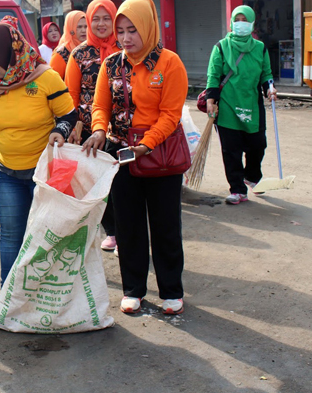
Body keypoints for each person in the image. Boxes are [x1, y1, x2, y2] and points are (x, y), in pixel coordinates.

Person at [0, 16, 77, 320]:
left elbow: (70, 116)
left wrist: (59, 131)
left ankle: (48, 299)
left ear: (10, 53)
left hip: (43, 174)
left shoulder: (45, 78)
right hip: (7, 173)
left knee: (46, 236)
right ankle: (9, 298)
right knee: (11, 237)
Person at [88, 0, 188, 315]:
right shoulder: (111, 65)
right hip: (121, 154)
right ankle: (133, 289)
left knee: (165, 226)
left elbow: (170, 116)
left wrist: (146, 144)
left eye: (132, 30)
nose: (126, 37)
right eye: (121, 31)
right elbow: (100, 106)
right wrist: (99, 130)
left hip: (161, 157)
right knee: (128, 226)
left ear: (147, 27)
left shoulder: (170, 64)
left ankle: (171, 291)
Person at [205, 5, 277, 205]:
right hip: (228, 105)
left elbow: (266, 73)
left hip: (252, 105)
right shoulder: (221, 47)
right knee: (231, 150)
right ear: (231, 22)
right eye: (237, 20)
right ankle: (237, 189)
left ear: (252, 23)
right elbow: (213, 74)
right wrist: (211, 100)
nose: (241, 24)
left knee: (258, 145)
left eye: (245, 20)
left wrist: (270, 88)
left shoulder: (260, 48)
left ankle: (251, 177)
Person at [65, 0, 120, 253]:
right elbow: (72, 96)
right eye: (95, 19)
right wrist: (74, 132)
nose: (100, 24)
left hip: (122, 131)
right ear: (88, 22)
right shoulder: (79, 54)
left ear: (114, 20)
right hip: (91, 133)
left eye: (106, 18)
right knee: (98, 185)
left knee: (123, 185)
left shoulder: (126, 48)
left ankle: (129, 231)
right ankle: (113, 231)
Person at [49, 10, 87, 79]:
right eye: (79, 27)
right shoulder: (61, 53)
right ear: (70, 28)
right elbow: (52, 81)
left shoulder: (90, 49)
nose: (83, 30)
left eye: (86, 26)